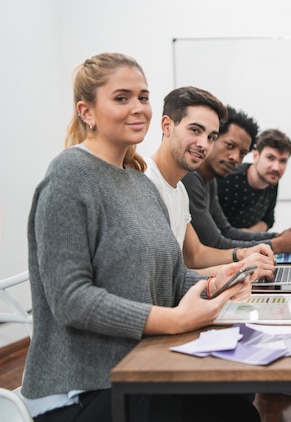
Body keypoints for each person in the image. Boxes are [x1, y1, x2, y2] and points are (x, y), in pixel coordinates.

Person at [22, 52, 260, 422]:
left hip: (135, 364)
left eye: (143, 97)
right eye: (122, 98)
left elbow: (172, 275)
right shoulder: (69, 176)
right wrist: (177, 321)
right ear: (87, 112)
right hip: (80, 388)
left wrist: (220, 280)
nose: (138, 108)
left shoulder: (137, 180)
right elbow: (71, 300)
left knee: (241, 400)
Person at [145, 86, 275, 281]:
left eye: (211, 137)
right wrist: (240, 269)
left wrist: (242, 255)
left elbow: (195, 255)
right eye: (195, 130)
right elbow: (163, 278)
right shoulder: (144, 182)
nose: (204, 145)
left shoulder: (179, 188)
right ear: (166, 126)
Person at [182, 106, 291, 253]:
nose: (235, 158)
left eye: (242, 153)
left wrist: (277, 237)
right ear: (212, 138)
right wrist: (277, 245)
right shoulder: (191, 177)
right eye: (230, 145)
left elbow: (226, 231)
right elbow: (215, 242)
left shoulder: (210, 180)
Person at [217, 128, 291, 232]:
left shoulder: (272, 180)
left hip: (247, 244)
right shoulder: (228, 178)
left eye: (283, 161)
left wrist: (247, 235)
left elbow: (267, 220)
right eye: (270, 158)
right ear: (256, 156)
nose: (276, 167)